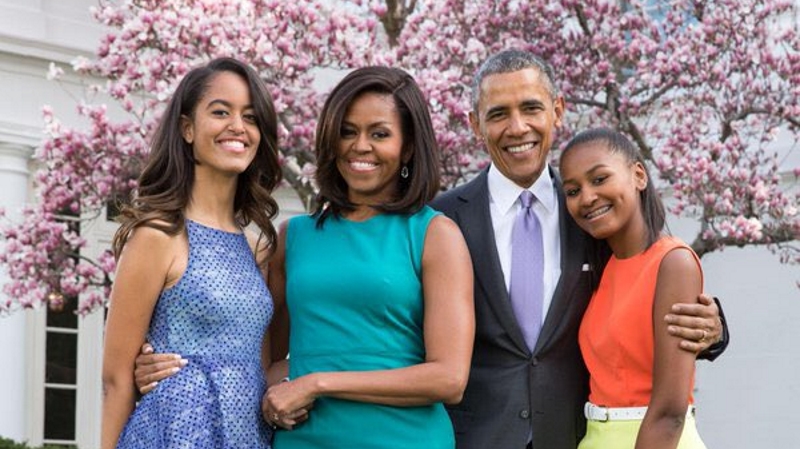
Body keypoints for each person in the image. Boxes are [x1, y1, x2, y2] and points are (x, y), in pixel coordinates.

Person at [427, 49, 728, 449]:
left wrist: (713, 331)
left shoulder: (593, 214)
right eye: (498, 114)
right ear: (475, 126)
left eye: (531, 108)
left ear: (557, 111)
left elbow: (642, 283)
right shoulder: (442, 220)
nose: (517, 127)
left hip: (574, 437)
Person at [260, 66, 474, 448]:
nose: (360, 146)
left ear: (408, 147)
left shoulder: (435, 235)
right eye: (347, 132)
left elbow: (449, 378)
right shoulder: (293, 237)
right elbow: (265, 365)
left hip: (404, 439)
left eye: (379, 134)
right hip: (305, 440)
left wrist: (318, 382)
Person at [101, 57, 281, 449]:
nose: (238, 126)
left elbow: (263, 366)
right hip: (172, 434)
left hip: (248, 436)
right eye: (221, 112)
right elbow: (115, 380)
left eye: (251, 117)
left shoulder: (258, 249)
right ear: (187, 128)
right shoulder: (157, 235)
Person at [559, 127, 707, 449]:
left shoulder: (673, 262)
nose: (587, 197)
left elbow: (669, 413)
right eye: (573, 191)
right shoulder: (602, 270)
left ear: (638, 175)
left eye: (600, 179)